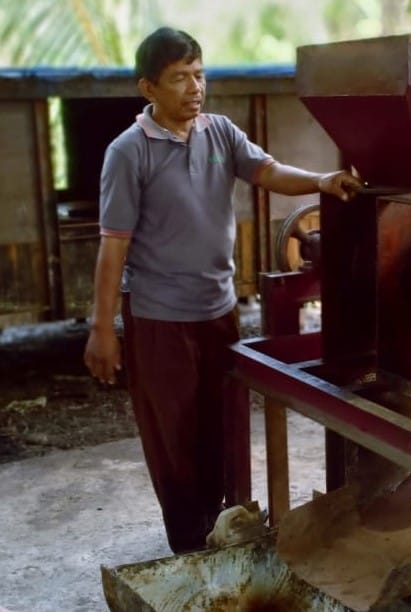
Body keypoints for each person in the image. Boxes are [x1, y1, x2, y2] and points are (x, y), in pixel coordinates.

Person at [82, 27, 362, 554]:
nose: (195, 88)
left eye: (199, 74)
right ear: (148, 88)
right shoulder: (128, 152)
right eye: (179, 78)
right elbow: (113, 245)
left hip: (218, 309)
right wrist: (102, 328)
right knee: (175, 438)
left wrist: (321, 181)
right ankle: (190, 548)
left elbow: (267, 170)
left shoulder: (220, 134)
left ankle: (218, 528)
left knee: (220, 427)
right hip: (160, 318)